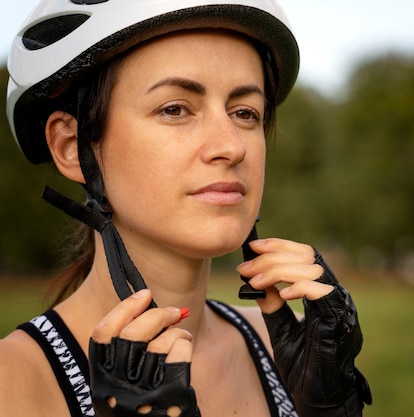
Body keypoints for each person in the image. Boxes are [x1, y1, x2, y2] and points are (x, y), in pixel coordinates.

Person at [0, 1, 371, 416]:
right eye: (175, 109)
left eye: (245, 112)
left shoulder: (285, 354)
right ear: (73, 148)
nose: (231, 146)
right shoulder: (12, 381)